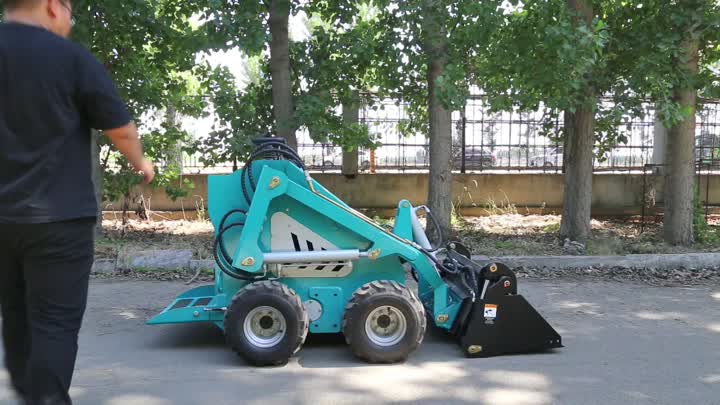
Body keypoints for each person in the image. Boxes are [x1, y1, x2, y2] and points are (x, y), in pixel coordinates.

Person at [0, 0, 154, 403]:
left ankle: (27, 394)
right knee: (53, 323)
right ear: (53, 6)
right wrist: (141, 161)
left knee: (15, 315)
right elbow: (119, 129)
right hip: (59, 218)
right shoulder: (69, 58)